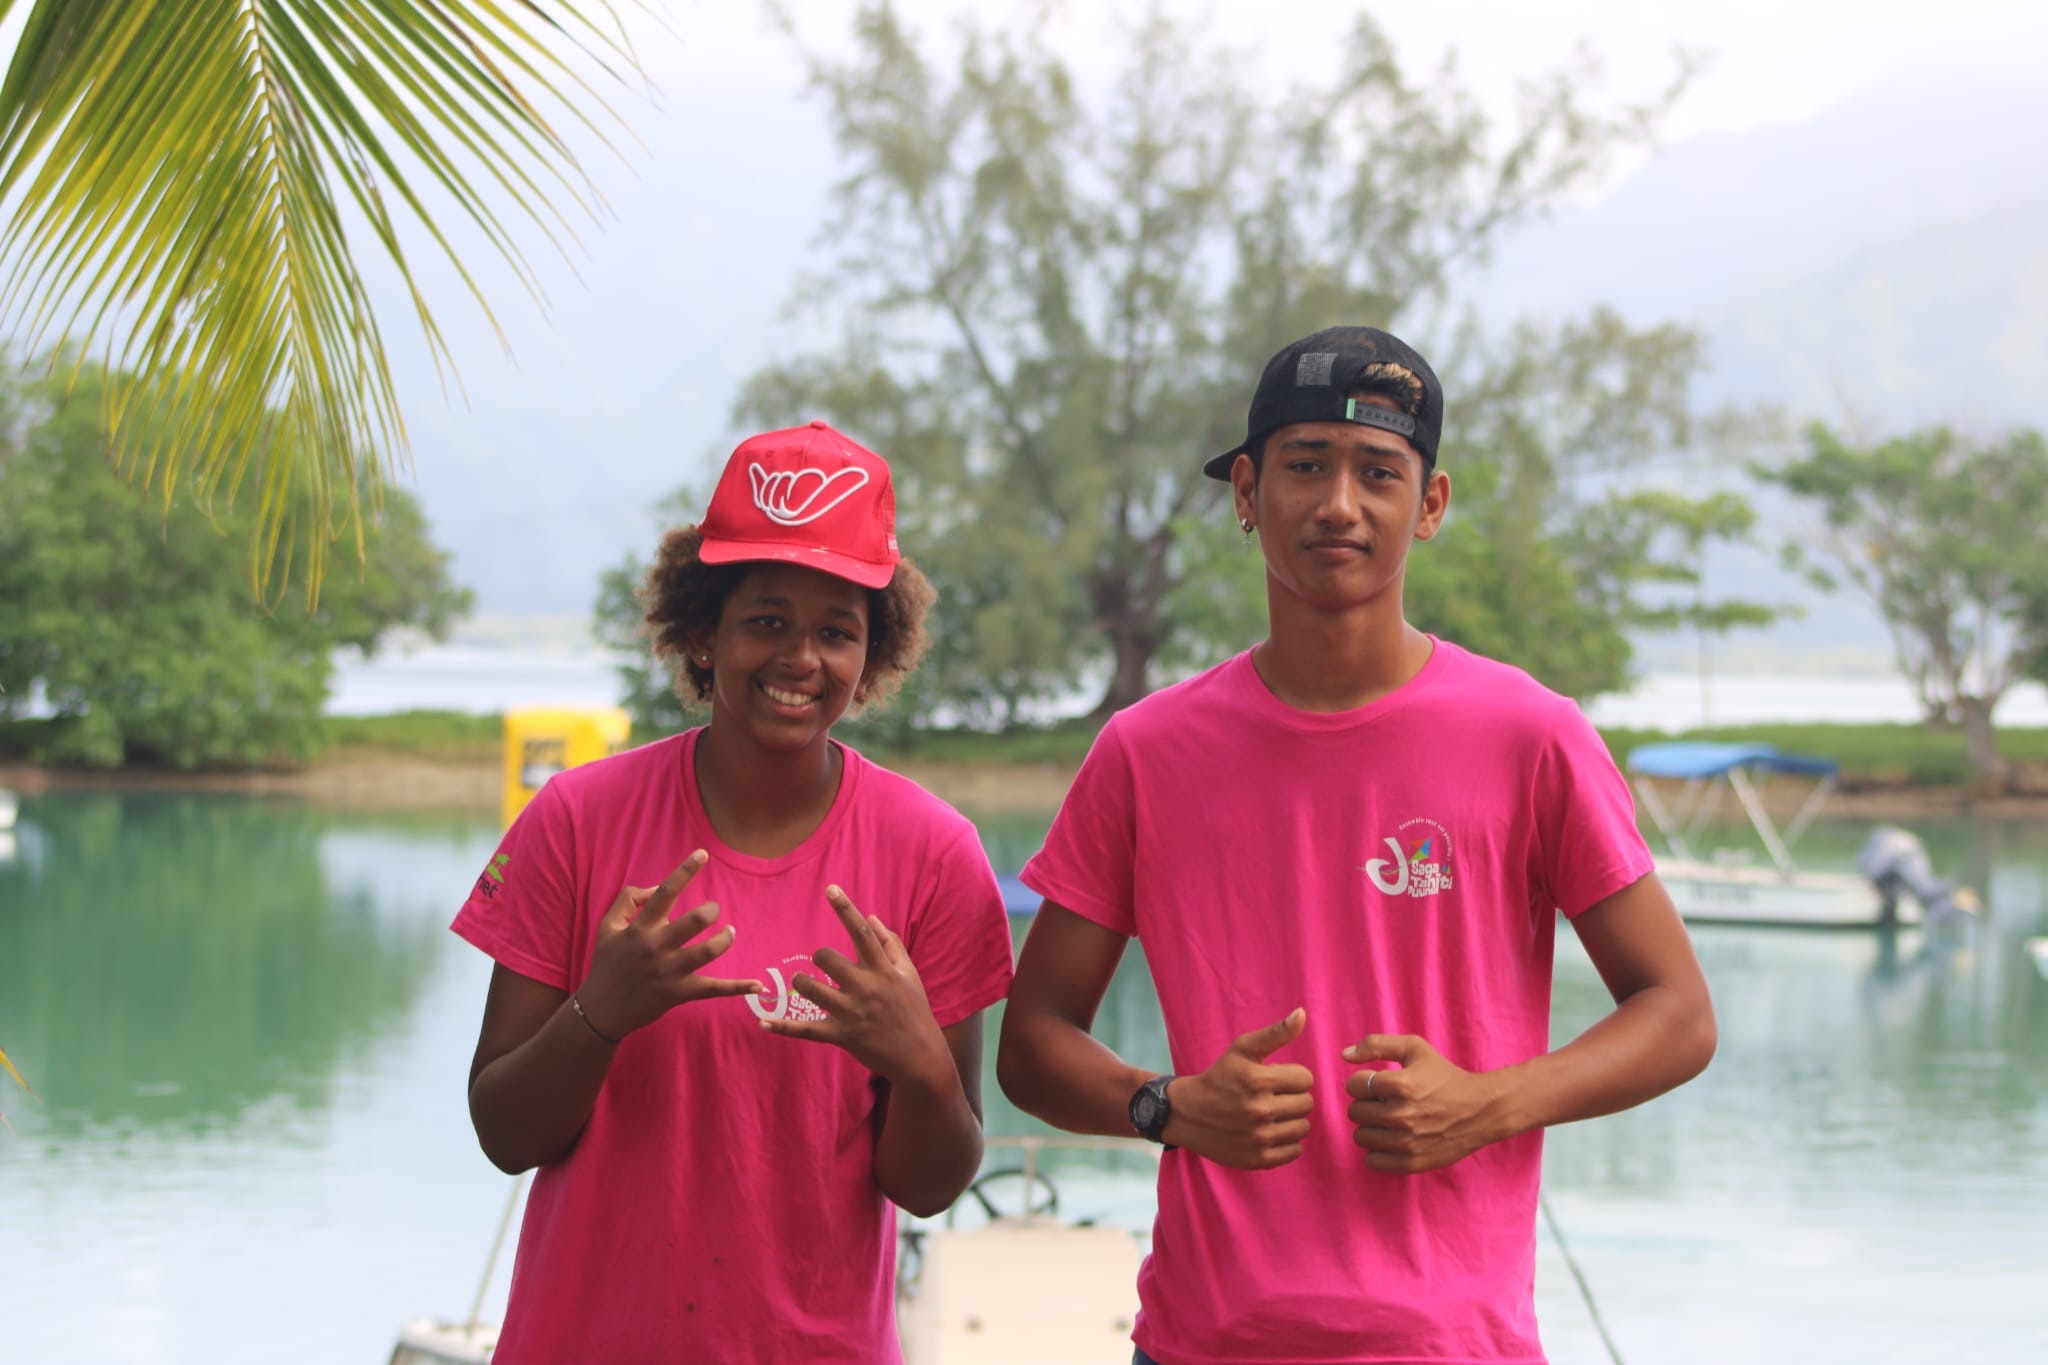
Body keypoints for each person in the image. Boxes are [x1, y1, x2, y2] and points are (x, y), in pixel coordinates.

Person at [996, 327, 1717, 1364]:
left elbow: (1678, 1014)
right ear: (1247, 493)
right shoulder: (1146, 752)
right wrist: (1170, 1107)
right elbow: (1032, 1043)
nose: (1339, 504)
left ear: (1429, 505)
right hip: (1202, 1342)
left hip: (1452, 1344)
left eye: (1378, 472)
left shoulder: (1530, 736)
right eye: (1304, 466)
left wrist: (1487, 1104)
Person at [455, 420, 1015, 1363]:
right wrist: (600, 1012)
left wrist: (921, 1064)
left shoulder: (933, 853)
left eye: (837, 631)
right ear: (701, 632)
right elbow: (504, 1133)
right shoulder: (577, 818)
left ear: (873, 655)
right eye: (767, 620)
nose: (801, 658)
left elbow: (929, 1185)